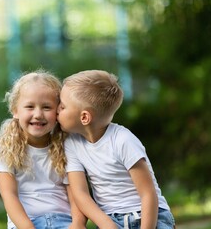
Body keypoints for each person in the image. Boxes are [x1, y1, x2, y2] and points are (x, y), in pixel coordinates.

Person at [57, 69, 176, 229]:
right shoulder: (72, 143)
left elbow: (148, 194)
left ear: (84, 117)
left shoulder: (123, 140)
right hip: (111, 220)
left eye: (62, 107)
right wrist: (107, 224)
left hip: (149, 216)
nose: (56, 109)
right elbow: (80, 194)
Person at [0, 70, 88, 229]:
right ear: (15, 110)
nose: (38, 114)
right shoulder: (6, 148)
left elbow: (76, 192)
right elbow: (9, 196)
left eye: (47, 107)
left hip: (64, 221)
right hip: (25, 223)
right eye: (29, 106)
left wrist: (78, 223)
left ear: (58, 111)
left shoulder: (67, 145)